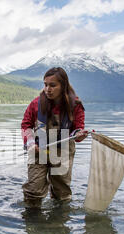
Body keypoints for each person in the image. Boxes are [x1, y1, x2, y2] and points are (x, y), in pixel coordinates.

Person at [21, 67, 88, 206]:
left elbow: (77, 131)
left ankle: (59, 223)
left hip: (62, 151)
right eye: (45, 84)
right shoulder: (35, 103)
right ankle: (32, 221)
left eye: (52, 85)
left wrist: (79, 135)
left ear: (63, 85)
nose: (47, 89)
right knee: (33, 191)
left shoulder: (75, 105)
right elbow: (26, 125)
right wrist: (31, 142)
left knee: (61, 193)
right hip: (39, 150)